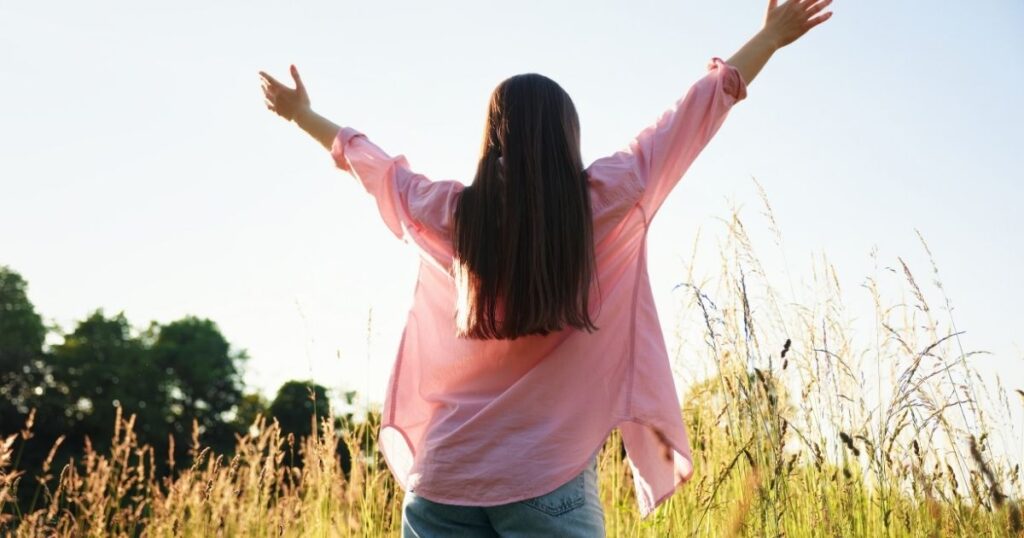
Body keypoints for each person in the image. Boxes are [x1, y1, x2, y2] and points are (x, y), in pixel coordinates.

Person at [259, 1, 832, 535]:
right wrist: (769, 39)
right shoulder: (607, 199)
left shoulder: (452, 213)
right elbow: (697, 110)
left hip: (442, 478)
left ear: (491, 137)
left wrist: (302, 114)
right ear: (566, 136)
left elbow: (373, 164)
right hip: (545, 476)